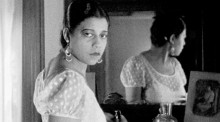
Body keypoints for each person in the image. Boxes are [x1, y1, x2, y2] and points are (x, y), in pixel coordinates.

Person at [33, 0, 121, 122]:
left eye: (103, 35)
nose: (98, 44)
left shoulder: (56, 66)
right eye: (88, 34)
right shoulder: (70, 80)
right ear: (67, 35)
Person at [120, 12, 187, 105]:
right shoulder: (137, 64)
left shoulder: (176, 65)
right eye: (183, 38)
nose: (184, 43)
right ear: (172, 39)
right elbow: (133, 111)